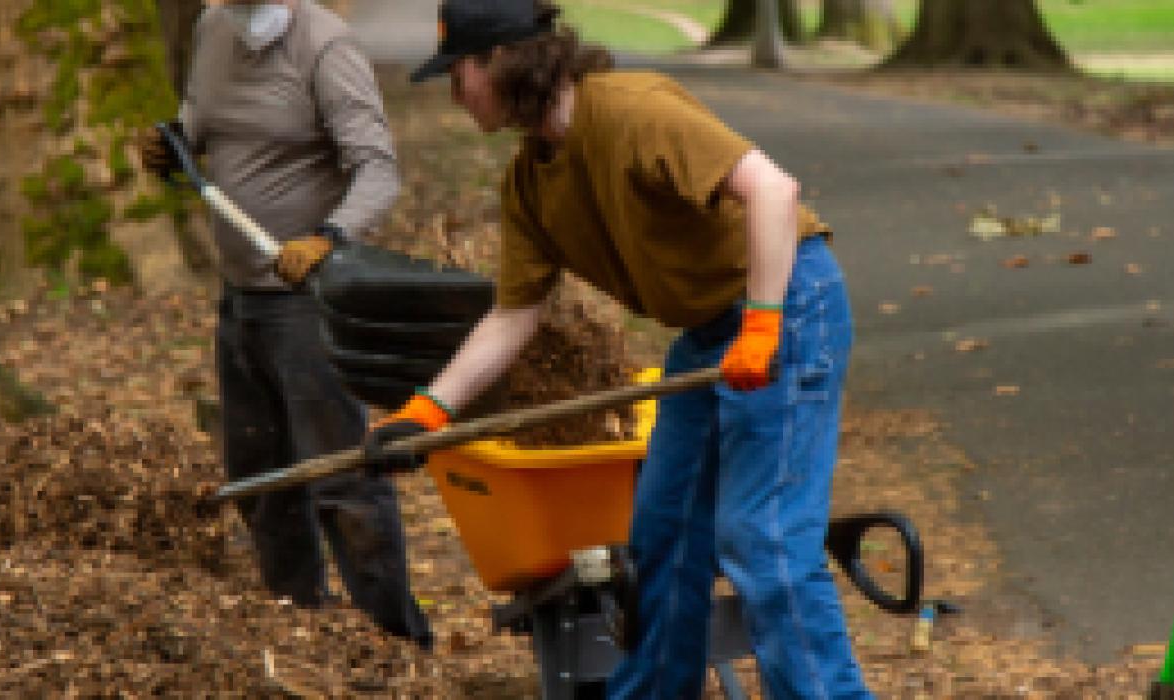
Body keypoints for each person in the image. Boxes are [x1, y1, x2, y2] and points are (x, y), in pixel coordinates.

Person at [365, 0, 871, 696]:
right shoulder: (529, 182)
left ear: (502, 60)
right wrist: (428, 412)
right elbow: (514, 315)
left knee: (764, 537)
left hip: (788, 304)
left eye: (459, 73)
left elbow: (774, 192)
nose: (454, 93)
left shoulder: (632, 111)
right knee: (665, 532)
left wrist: (762, 323)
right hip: (707, 334)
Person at [137, 0, 433, 647]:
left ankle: (398, 646)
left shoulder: (326, 46)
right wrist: (171, 146)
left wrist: (329, 237)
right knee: (260, 478)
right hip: (240, 298)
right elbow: (199, 126)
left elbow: (377, 170)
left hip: (307, 305)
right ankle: (301, 628)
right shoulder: (213, 29)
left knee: (341, 483)